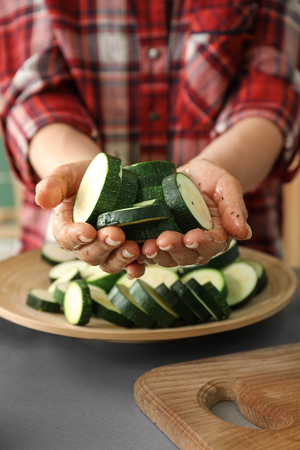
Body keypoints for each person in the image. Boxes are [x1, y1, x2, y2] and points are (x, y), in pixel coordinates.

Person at [0, 0, 299, 280]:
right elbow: (32, 95)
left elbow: (271, 92)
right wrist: (77, 177)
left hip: (240, 253)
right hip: (54, 260)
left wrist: (221, 174)